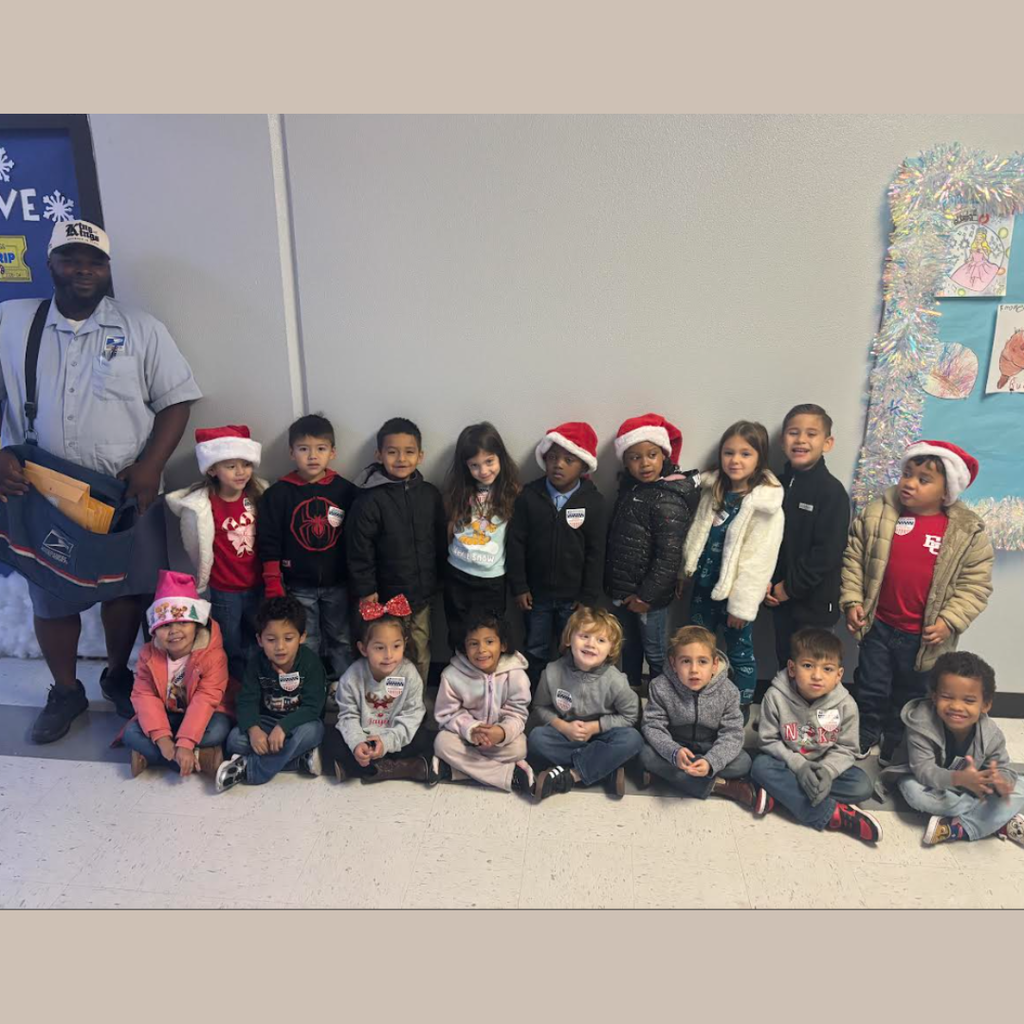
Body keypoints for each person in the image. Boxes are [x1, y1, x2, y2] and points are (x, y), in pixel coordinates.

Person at [0, 220, 201, 742]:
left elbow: (176, 400)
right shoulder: (12, 322)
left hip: (121, 492)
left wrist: (152, 465)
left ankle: (118, 677)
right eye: (71, 259)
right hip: (42, 492)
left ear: (108, 269)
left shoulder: (140, 328)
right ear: (51, 264)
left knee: (125, 593)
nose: (83, 270)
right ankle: (66, 691)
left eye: (94, 261)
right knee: (51, 596)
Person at [841, 440, 994, 762]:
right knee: (871, 684)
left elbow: (975, 585)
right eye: (907, 474)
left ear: (946, 491)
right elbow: (854, 558)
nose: (909, 483)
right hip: (878, 625)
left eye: (923, 480)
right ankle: (867, 729)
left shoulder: (967, 532)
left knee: (911, 692)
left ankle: (898, 738)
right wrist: (852, 600)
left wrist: (949, 620)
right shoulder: (879, 514)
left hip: (923, 637)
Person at [679, 421, 784, 707]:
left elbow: (760, 559)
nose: (735, 460)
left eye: (745, 454)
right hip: (704, 586)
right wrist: (684, 572)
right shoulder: (713, 492)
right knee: (697, 649)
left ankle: (739, 710)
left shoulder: (764, 505)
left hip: (735, 596)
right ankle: (697, 705)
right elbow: (697, 534)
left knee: (739, 653)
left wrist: (742, 606)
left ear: (760, 458)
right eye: (729, 453)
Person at [877, 651, 1024, 848]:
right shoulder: (921, 722)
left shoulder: (991, 734)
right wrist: (960, 779)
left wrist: (1000, 781)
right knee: (916, 795)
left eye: (969, 701)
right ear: (934, 697)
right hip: (927, 782)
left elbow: (1004, 768)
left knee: (1018, 788)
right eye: (947, 697)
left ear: (985, 705)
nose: (956, 706)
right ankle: (995, 820)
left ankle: (959, 827)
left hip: (970, 785)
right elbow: (924, 772)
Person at [750, 628, 882, 844]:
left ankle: (782, 795)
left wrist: (828, 772)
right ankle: (830, 814)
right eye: (808, 666)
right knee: (760, 767)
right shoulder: (775, 696)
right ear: (792, 668)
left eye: (827, 669)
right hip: (787, 764)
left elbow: (847, 749)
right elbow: (767, 740)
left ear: (839, 675)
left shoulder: (846, 705)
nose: (817, 675)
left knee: (862, 785)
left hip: (823, 766)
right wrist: (799, 766)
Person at [257, 413, 356, 683]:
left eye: (321, 449)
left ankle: (347, 689)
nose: (312, 456)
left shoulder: (347, 492)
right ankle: (311, 687)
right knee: (306, 639)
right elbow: (269, 541)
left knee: (341, 638)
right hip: (298, 585)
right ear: (291, 452)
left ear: (332, 453)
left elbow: (358, 539)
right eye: (304, 449)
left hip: (338, 583)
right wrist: (273, 582)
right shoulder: (278, 495)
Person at [346, 417, 446, 684]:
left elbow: (439, 541)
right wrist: (367, 590)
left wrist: (439, 580)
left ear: (420, 455)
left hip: (422, 596)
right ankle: (384, 703)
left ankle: (417, 702)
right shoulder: (369, 500)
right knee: (386, 654)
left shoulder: (429, 494)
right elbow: (359, 550)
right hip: (385, 600)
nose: (401, 458)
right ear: (379, 454)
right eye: (392, 452)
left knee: (420, 650)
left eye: (409, 451)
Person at [166, 424, 266, 682]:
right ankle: (234, 686)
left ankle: (258, 683)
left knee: (260, 638)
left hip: (258, 584)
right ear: (212, 469)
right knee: (230, 643)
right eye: (231, 466)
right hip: (225, 590)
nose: (241, 472)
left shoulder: (260, 494)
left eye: (245, 464)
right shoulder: (201, 506)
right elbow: (195, 546)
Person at [506, 421, 605, 683]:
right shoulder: (529, 496)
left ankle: (568, 697)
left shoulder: (593, 502)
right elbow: (515, 543)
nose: (558, 464)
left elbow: (596, 553)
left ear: (583, 465)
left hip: (573, 600)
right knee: (535, 648)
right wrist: (519, 586)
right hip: (536, 596)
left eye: (568, 459)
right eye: (552, 458)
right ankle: (535, 696)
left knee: (572, 650)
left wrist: (588, 597)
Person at [605, 413, 700, 687]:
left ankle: (661, 702)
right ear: (625, 461)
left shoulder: (668, 497)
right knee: (627, 648)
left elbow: (669, 556)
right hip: (623, 593)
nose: (645, 463)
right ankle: (630, 694)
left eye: (652, 454)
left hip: (650, 598)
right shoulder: (629, 490)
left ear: (663, 456)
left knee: (655, 653)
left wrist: (646, 596)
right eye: (635, 457)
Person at [639, 625, 769, 813]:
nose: (694, 670)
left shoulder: (729, 691)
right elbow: (652, 726)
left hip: (710, 745)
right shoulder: (660, 687)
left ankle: (667, 776)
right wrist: (673, 752)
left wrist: (711, 762)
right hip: (677, 746)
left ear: (714, 664)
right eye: (685, 661)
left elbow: (732, 734)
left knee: (743, 762)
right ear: (673, 664)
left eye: (702, 662)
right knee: (645, 754)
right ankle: (721, 786)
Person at [122, 570, 234, 778]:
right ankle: (198, 759)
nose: (174, 631)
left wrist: (186, 742)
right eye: (165, 625)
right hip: (167, 715)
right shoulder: (148, 655)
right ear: (154, 631)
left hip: (204, 715)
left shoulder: (213, 655)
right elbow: (144, 696)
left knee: (219, 730)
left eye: (183, 622)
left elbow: (206, 699)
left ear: (197, 624)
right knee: (131, 733)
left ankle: (155, 756)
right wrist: (163, 739)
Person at [527, 606, 643, 801]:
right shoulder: (552, 672)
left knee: (633, 739)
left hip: (603, 736)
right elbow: (539, 707)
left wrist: (596, 726)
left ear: (611, 649)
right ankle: (606, 768)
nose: (591, 644)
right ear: (568, 639)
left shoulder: (616, 681)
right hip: (566, 736)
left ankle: (572, 775)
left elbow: (631, 716)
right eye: (584, 636)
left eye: (601, 640)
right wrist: (563, 727)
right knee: (536, 738)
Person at [764, 404, 850, 667]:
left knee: (814, 670)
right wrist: (767, 583)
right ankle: (787, 709)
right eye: (793, 433)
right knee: (786, 662)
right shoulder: (773, 485)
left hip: (815, 605)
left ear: (827, 443)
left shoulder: (831, 492)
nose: (801, 439)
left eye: (811, 434)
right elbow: (766, 540)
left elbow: (827, 553)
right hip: (779, 599)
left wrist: (789, 587)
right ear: (782, 441)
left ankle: (814, 711)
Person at [217, 595, 326, 791]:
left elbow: (313, 707)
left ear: (302, 637)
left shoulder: (311, 664)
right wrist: (254, 730)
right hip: (266, 723)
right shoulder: (256, 664)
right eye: (271, 639)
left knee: (314, 731)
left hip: (299, 725)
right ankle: (299, 760)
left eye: (289, 638)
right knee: (234, 740)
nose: (280, 647)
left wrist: (284, 727)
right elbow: (247, 700)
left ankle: (250, 768)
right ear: (259, 640)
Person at [331, 594, 433, 783]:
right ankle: (395, 768)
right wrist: (357, 743)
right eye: (379, 648)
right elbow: (348, 716)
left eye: (396, 646)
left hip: (393, 736)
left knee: (423, 738)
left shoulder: (409, 674)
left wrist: (386, 742)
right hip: (364, 735)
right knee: (333, 740)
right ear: (363, 649)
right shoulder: (352, 677)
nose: (389, 655)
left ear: (405, 643)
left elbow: (412, 716)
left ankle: (365, 769)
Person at [432, 609, 534, 793]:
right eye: (473, 643)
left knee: (520, 748)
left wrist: (502, 732)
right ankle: (508, 775)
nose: (482, 650)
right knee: (442, 743)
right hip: (466, 739)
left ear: (502, 645)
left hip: (498, 742)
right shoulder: (451, 675)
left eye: (489, 642)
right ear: (464, 647)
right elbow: (447, 714)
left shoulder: (516, 674)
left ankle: (456, 770)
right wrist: (471, 729)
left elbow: (518, 713)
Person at [441, 422, 519, 648]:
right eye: (474, 465)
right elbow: (448, 530)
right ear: (465, 466)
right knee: (458, 630)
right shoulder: (457, 492)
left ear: (500, 458)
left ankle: (487, 678)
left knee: (490, 632)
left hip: (492, 578)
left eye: (489, 462)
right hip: (457, 574)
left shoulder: (512, 493)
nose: (483, 471)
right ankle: (458, 676)